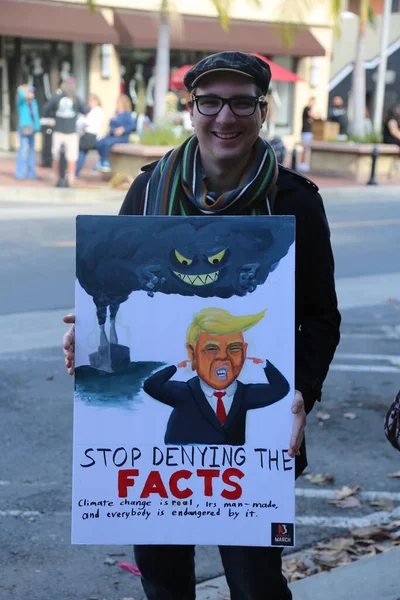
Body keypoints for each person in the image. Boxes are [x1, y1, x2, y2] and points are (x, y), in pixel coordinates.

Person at [63, 51, 340, 600]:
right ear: (191, 109)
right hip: (153, 452)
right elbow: (113, 277)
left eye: (242, 102)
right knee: (164, 586)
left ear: (263, 111)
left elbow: (321, 317)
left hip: (254, 447)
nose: (225, 118)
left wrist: (303, 393)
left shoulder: (296, 204)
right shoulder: (148, 190)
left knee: (257, 585)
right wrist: (88, 333)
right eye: (209, 102)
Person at [144, 307, 289, 445]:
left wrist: (264, 364)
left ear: (244, 353)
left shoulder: (244, 394)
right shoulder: (185, 393)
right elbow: (151, 385)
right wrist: (175, 367)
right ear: (193, 353)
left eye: (234, 348)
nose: (223, 357)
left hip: (234, 467)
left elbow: (280, 389)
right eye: (211, 349)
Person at [42, 77, 87, 186]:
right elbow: (45, 109)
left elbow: (84, 110)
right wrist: (53, 117)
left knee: (68, 156)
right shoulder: (59, 98)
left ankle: (68, 177)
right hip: (62, 131)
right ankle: (61, 177)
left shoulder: (73, 98)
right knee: (59, 155)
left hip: (69, 131)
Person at [95, 94, 136, 173]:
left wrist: (123, 129)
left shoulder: (127, 114)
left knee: (107, 143)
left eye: (119, 102)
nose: (117, 104)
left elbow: (132, 125)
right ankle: (101, 160)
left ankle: (105, 162)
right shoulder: (116, 114)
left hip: (122, 138)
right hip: (111, 136)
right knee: (99, 143)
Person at [15, 84, 41, 180]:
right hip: (24, 128)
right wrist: (21, 89)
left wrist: (37, 127)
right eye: (30, 91)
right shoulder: (21, 102)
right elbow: (21, 96)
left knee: (31, 152)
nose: (32, 93)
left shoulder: (33, 102)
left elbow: (36, 115)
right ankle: (20, 174)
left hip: (32, 129)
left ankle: (31, 173)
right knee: (23, 150)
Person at [75, 94, 104, 178]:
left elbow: (86, 122)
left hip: (90, 136)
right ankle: (75, 172)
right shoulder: (92, 111)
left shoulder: (97, 111)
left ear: (96, 101)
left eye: (91, 101)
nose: (89, 103)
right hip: (88, 135)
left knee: (81, 153)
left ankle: (75, 172)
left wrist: (82, 120)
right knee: (81, 154)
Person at [299, 96, 317, 171]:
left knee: (307, 149)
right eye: (313, 102)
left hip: (308, 132)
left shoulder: (309, 109)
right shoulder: (307, 108)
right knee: (305, 148)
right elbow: (312, 115)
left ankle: (305, 163)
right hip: (305, 131)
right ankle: (302, 163)